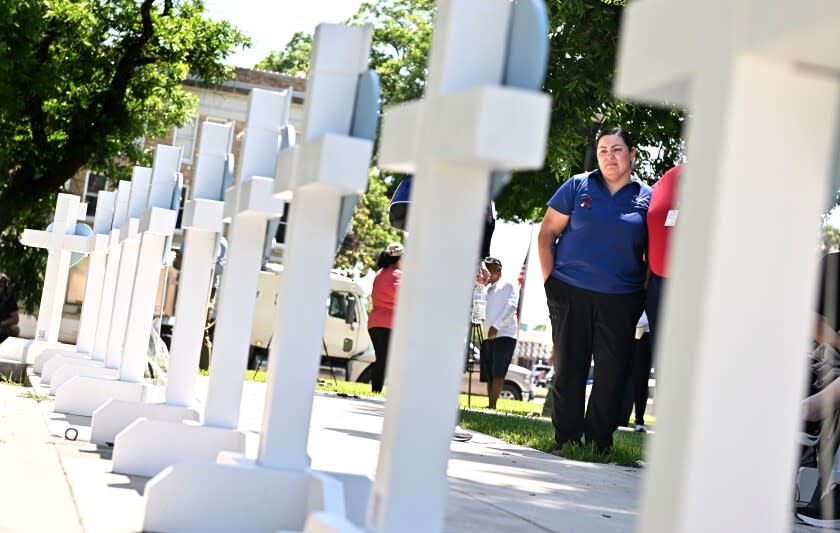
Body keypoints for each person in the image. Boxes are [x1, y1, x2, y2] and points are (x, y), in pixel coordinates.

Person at [538, 126, 650, 455]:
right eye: (603, 150)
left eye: (617, 149)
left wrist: (638, 297)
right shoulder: (577, 186)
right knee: (570, 369)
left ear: (632, 153)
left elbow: (651, 256)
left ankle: (600, 441)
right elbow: (546, 235)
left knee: (612, 374)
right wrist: (550, 284)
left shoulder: (647, 197)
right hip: (570, 291)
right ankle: (566, 439)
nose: (609, 156)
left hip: (621, 300)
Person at [479, 257, 519, 409]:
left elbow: (512, 306)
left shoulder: (508, 284)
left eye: (488, 269)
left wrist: (496, 325)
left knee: (498, 372)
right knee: (489, 373)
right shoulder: (487, 289)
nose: (485, 273)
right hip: (487, 336)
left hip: (504, 335)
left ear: (497, 269)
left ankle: (492, 405)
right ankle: (490, 404)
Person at [367, 243, 404, 393]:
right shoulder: (398, 275)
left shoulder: (379, 274)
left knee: (381, 359)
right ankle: (378, 390)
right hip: (388, 324)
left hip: (374, 323)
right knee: (386, 360)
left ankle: (376, 388)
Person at [0, 273, 20, 342]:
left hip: (2, 326)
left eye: (0, 286)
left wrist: (1, 323)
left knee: (15, 329)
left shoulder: (9, 298)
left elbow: (15, 319)